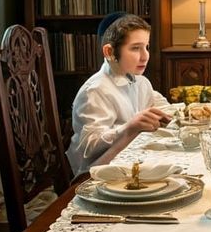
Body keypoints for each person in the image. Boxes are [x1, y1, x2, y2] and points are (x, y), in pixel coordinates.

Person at [65, 13, 172, 174]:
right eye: (136, 48)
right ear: (109, 52)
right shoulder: (95, 91)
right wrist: (129, 128)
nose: (145, 56)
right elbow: (89, 147)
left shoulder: (140, 82)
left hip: (128, 160)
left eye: (146, 47)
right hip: (94, 172)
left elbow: (165, 109)